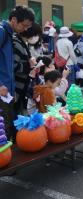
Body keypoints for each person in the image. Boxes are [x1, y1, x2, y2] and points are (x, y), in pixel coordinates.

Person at [0, 5, 35, 141]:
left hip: (7, 91)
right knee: (4, 130)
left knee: (7, 129)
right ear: (14, 19)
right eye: (24, 25)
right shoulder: (2, 32)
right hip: (2, 91)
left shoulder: (9, 34)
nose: (25, 29)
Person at [13, 22, 42, 113]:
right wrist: (28, 65)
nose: (37, 37)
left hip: (20, 88)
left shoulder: (22, 43)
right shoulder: (16, 44)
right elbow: (13, 66)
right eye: (36, 34)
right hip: (16, 88)